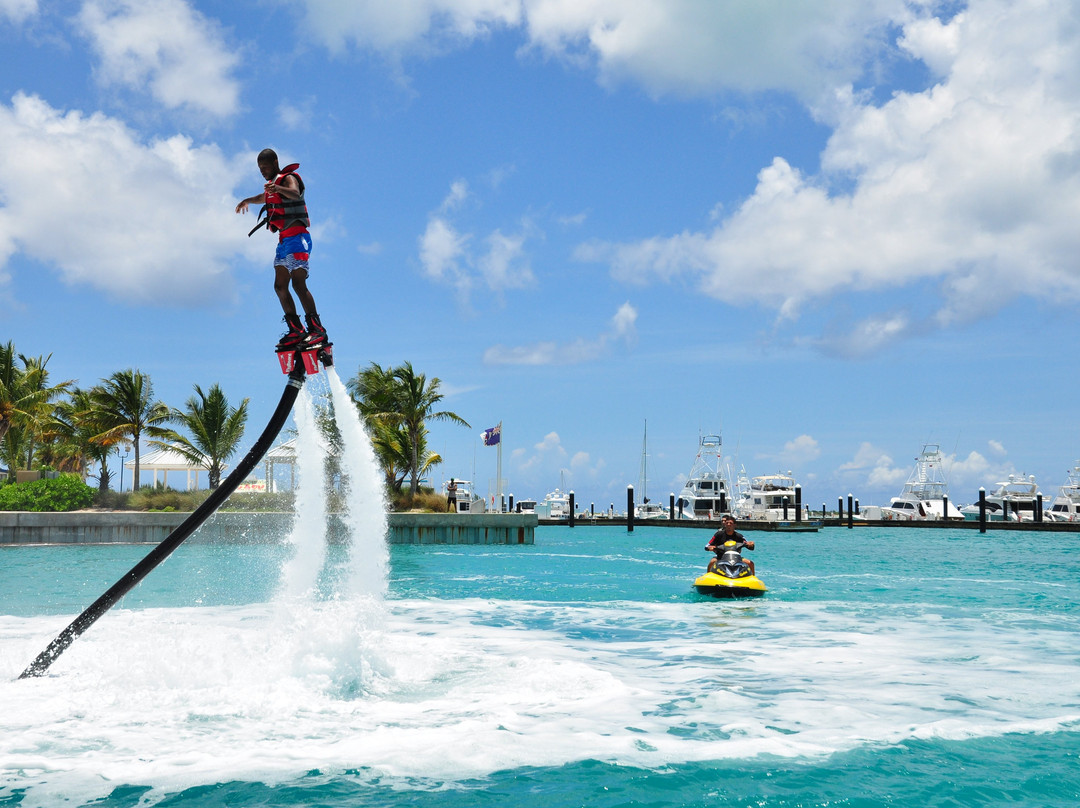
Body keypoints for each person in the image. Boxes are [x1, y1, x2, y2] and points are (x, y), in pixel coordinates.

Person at [235, 148, 329, 351]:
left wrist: (278, 190)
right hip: (284, 241)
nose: (262, 171)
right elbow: (265, 197)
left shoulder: (288, 179)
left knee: (298, 284)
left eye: (265, 166)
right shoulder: (273, 185)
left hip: (298, 238)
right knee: (279, 286)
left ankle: (317, 330)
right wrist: (248, 200)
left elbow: (294, 193)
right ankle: (295, 330)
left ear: (275, 162)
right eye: (259, 168)